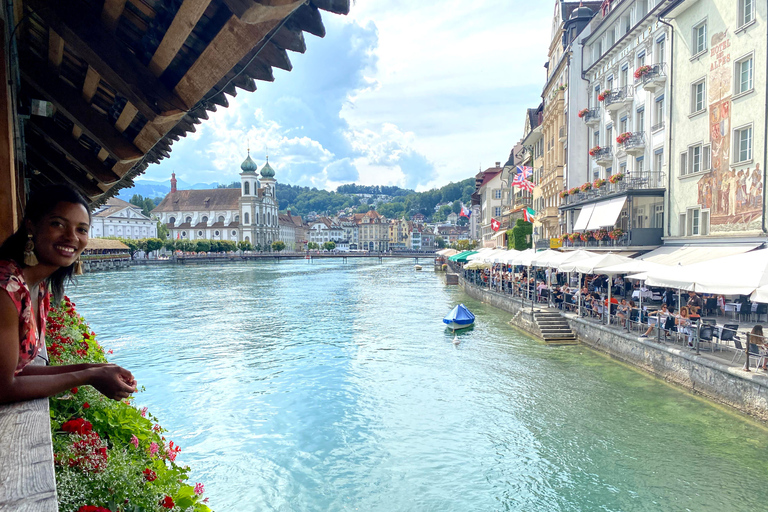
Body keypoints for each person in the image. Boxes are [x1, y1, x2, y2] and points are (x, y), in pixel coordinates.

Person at [0, 185, 136, 404]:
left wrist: (94, 368)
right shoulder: (6, 289)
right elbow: (3, 387)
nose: (71, 237)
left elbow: (14, 372)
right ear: (31, 225)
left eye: (81, 229)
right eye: (58, 224)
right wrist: (89, 375)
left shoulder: (36, 287)